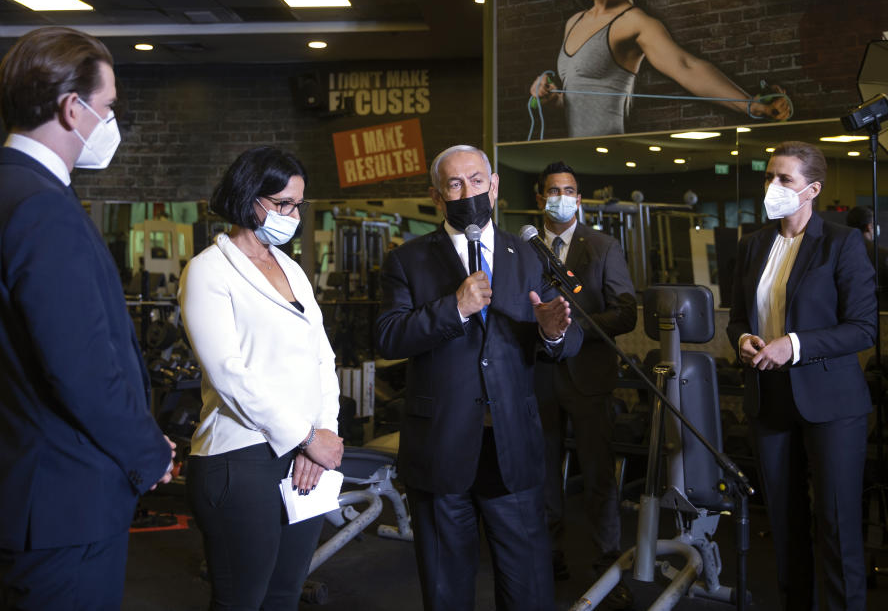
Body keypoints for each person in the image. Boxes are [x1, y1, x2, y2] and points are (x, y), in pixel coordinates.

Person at [0, 26, 175, 608]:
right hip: (63, 497)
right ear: (72, 109)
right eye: (106, 107)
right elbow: (80, 368)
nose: (110, 122)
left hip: (42, 487)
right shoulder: (38, 207)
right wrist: (146, 450)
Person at [374, 144, 583, 611]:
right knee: (447, 591)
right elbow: (388, 338)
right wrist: (455, 308)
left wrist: (553, 332)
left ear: (494, 186)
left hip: (513, 447)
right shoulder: (407, 260)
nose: (466, 190)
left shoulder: (531, 255)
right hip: (442, 447)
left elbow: (572, 338)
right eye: (454, 183)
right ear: (436, 195)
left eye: (475, 180)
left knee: (528, 589)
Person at [178, 147, 343, 611]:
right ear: (250, 197)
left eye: (298, 205)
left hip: (302, 453)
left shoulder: (290, 268)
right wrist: (307, 436)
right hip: (239, 456)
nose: (292, 215)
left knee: (284, 597)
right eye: (283, 204)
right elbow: (230, 374)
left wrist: (323, 431)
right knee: (241, 601)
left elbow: (322, 356)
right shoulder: (207, 271)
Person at [726, 141, 876, 611]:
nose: (772, 186)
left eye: (784, 179)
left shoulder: (842, 242)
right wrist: (744, 340)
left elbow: (862, 328)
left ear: (811, 189)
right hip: (769, 400)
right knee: (786, 529)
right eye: (769, 175)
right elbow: (736, 318)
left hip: (831, 402)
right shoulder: (752, 245)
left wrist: (792, 344)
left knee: (834, 524)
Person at [530, 0, 792, 137]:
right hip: (577, 156)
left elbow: (686, 66)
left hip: (611, 152)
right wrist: (551, 97)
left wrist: (749, 105)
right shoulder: (573, 23)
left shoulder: (633, 22)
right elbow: (582, 99)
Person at [532, 162, 636, 606]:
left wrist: (574, 330)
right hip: (538, 376)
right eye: (553, 190)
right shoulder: (524, 249)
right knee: (542, 473)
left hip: (589, 377)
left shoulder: (603, 247)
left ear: (580, 199)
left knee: (598, 476)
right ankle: (547, 554)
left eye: (569, 190)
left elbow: (626, 311)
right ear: (541, 199)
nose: (561, 196)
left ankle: (606, 560)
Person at [846, 205, 888, 309]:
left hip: (848, 311)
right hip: (879, 312)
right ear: (869, 227)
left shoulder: (841, 252)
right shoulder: (882, 254)